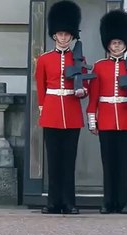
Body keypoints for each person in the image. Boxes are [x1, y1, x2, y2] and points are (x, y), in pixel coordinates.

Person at [35, 0, 88, 214]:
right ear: (54, 35)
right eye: (60, 34)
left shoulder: (79, 58)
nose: (64, 38)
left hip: (72, 113)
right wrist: (42, 109)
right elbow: (41, 87)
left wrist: (83, 91)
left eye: (67, 34)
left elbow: (86, 84)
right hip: (52, 112)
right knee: (54, 161)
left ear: (72, 36)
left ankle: (69, 202)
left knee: (69, 161)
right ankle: (53, 202)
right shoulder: (45, 59)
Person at [87, 10, 127, 214]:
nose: (116, 46)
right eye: (113, 43)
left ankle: (123, 202)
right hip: (105, 119)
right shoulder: (99, 66)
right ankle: (108, 201)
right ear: (108, 44)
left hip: (126, 119)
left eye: (120, 43)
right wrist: (92, 120)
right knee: (108, 163)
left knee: (123, 164)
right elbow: (93, 97)